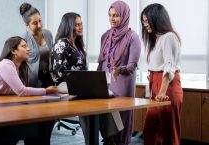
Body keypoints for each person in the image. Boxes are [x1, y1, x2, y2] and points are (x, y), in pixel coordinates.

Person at [51, 12, 123, 145]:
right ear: (68, 26)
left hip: (80, 82)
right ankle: (102, 138)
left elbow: (83, 68)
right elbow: (59, 73)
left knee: (107, 93)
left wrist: (87, 79)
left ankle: (110, 136)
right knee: (91, 94)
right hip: (64, 84)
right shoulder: (61, 44)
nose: (80, 27)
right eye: (76, 25)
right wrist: (81, 79)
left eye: (81, 24)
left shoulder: (78, 45)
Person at [0, 36, 58, 145]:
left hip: (11, 106)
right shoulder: (6, 64)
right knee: (38, 122)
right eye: (24, 46)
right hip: (1, 111)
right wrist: (46, 91)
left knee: (44, 119)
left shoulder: (20, 66)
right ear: (13, 50)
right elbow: (21, 91)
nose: (28, 49)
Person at [98, 1, 141, 145]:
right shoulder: (105, 36)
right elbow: (102, 62)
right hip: (106, 82)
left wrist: (118, 69)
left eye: (116, 15)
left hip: (122, 83)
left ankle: (121, 142)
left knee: (121, 118)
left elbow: (132, 66)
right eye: (110, 15)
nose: (112, 18)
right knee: (106, 117)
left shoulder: (133, 37)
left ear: (124, 15)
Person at [140, 3, 183, 145]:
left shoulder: (169, 37)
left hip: (167, 86)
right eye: (143, 21)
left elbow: (169, 67)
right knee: (150, 130)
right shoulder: (156, 39)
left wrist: (162, 92)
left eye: (147, 20)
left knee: (169, 133)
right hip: (156, 84)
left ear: (156, 18)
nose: (145, 24)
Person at [19, 3, 56, 145]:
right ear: (27, 25)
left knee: (49, 118)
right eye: (35, 23)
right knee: (34, 122)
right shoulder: (23, 40)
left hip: (48, 79)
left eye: (40, 20)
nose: (39, 25)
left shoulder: (48, 34)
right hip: (33, 82)